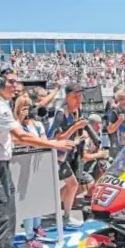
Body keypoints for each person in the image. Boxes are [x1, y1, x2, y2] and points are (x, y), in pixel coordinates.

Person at [0, 65, 74, 248]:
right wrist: (53, 143)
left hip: (0, 167)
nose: (16, 86)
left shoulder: (1, 105)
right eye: (12, 82)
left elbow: (13, 139)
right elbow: (20, 135)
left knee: (9, 214)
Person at [47, 83, 92, 226]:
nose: (78, 100)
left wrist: (80, 136)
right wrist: (75, 127)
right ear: (67, 97)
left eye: (80, 96)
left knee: (72, 185)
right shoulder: (61, 113)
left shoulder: (75, 112)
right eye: (75, 97)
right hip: (53, 156)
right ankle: (61, 215)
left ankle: (63, 215)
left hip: (63, 157)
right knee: (71, 185)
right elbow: (57, 137)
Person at [13, 95, 48, 248]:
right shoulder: (15, 126)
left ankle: (36, 226)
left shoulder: (38, 124)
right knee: (27, 201)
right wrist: (20, 124)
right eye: (23, 108)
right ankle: (29, 236)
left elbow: (44, 140)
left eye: (29, 107)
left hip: (37, 164)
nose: (27, 110)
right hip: (22, 166)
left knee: (38, 197)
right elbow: (15, 140)